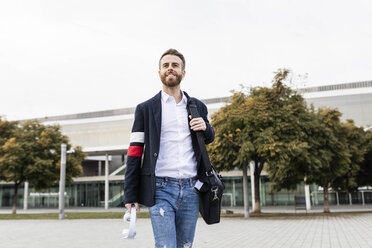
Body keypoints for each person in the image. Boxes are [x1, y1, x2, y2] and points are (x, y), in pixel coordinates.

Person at [124, 48, 215, 248]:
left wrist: (206, 128)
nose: (170, 68)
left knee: (185, 245)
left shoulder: (197, 106)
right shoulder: (145, 109)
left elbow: (208, 138)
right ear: (159, 73)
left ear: (183, 72)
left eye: (175, 65)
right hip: (160, 189)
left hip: (192, 189)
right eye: (165, 65)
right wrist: (130, 194)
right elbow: (134, 152)